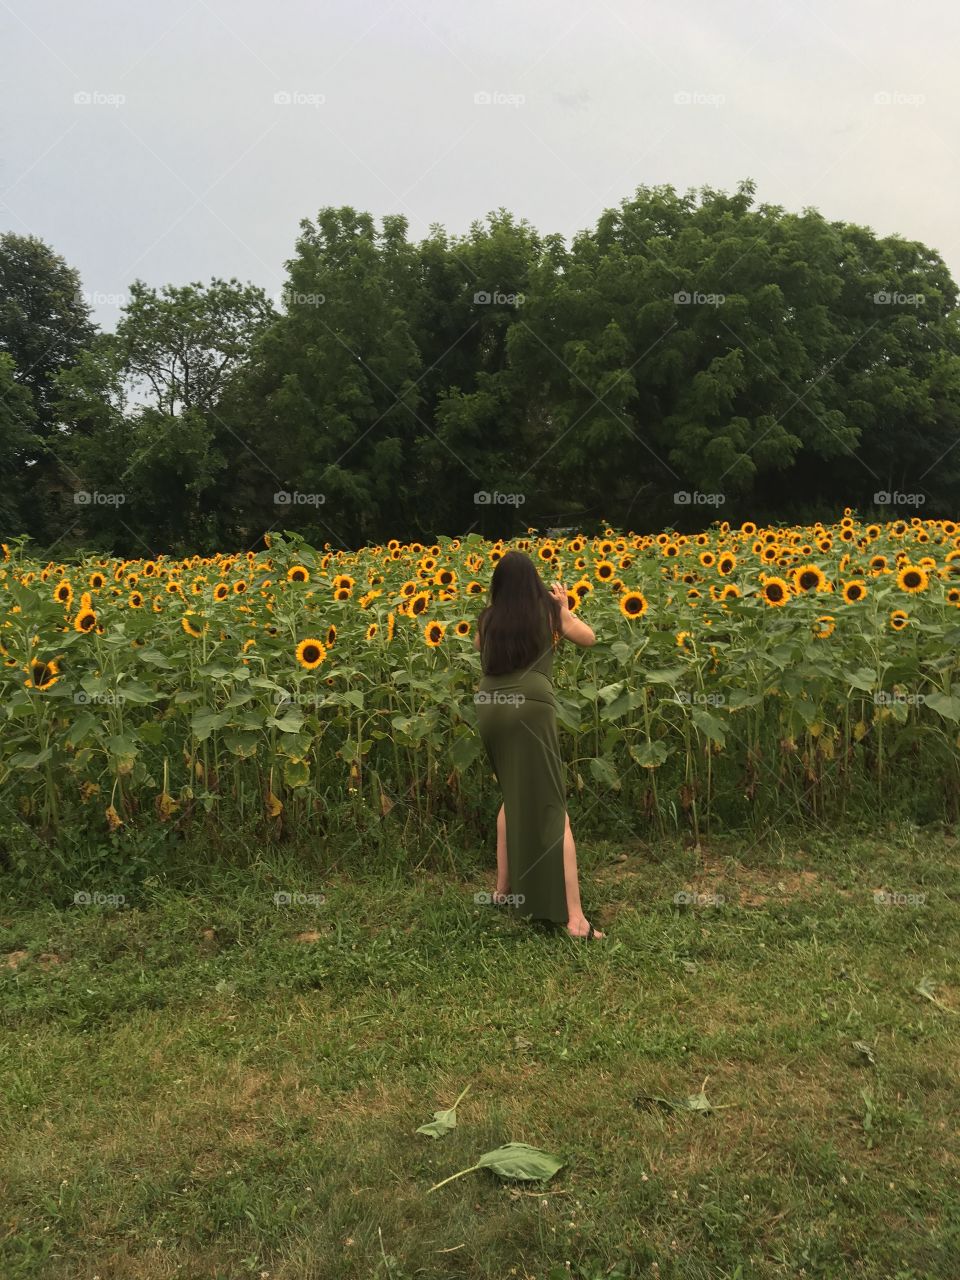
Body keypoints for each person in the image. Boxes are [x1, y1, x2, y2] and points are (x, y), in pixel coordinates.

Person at [473, 550, 605, 940]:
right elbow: (588, 639)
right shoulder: (547, 609)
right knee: (554, 810)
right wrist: (564, 609)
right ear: (534, 581)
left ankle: (503, 891)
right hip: (531, 707)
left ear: (498, 585)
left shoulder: (489, 617)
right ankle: (576, 919)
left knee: (510, 794)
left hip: (491, 706)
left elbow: (482, 649)